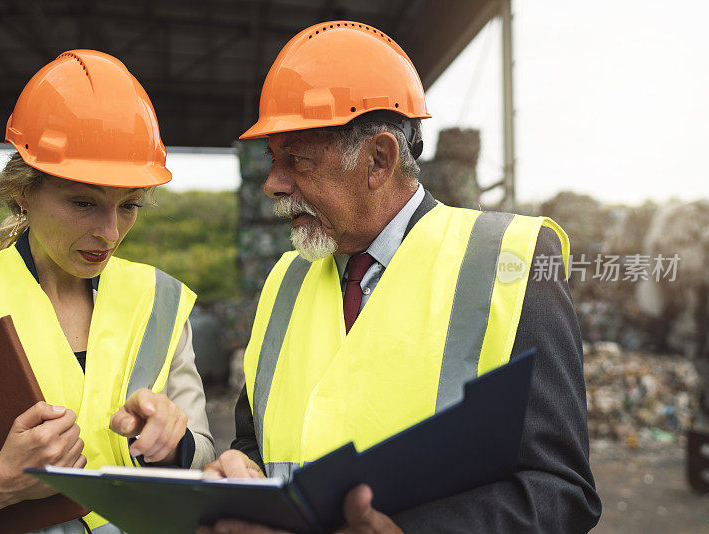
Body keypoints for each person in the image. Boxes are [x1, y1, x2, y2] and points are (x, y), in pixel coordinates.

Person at [200, 21, 601, 533]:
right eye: (272, 160)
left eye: (296, 159)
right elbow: (256, 441)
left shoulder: (511, 262)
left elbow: (562, 491)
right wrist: (242, 479)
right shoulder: (284, 282)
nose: (273, 185)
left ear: (379, 160)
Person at [0, 50, 215, 533]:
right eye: (84, 203)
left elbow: (204, 459)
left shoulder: (158, 300)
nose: (110, 233)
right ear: (22, 190)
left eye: (129, 206)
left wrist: (172, 444)